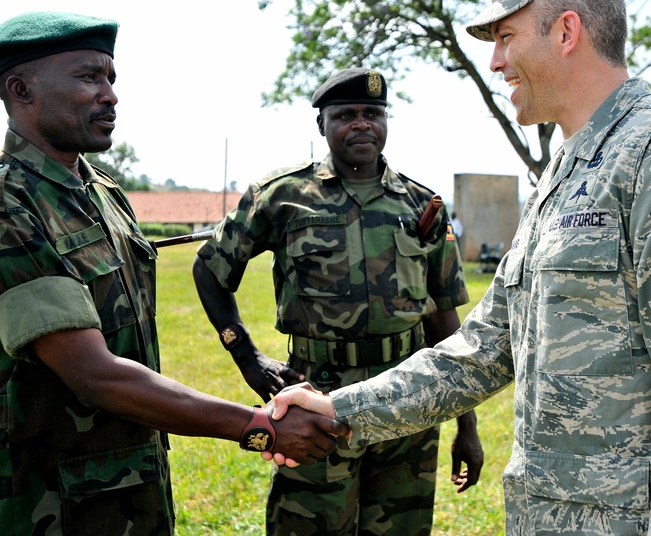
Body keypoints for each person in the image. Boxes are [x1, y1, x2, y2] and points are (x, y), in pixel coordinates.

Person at [268, 0, 651, 535]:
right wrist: (340, 410)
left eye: (504, 36)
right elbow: (483, 349)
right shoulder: (566, 171)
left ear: (567, 31)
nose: (494, 61)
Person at [0, 11, 347, 536]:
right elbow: (93, 373)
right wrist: (257, 427)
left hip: (119, 486)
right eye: (88, 77)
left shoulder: (100, 193)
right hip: (31, 500)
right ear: (20, 89)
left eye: (111, 78)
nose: (110, 95)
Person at [192, 67, 483, 535]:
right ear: (322, 125)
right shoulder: (282, 197)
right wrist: (246, 356)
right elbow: (210, 268)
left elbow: (444, 318)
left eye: (373, 113)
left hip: (407, 398)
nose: (361, 124)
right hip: (315, 399)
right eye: (346, 115)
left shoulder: (420, 205)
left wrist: (466, 425)